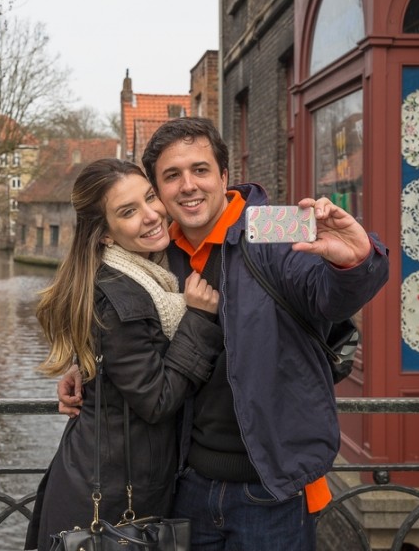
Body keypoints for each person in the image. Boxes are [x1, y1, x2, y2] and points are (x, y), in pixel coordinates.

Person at [58, 117, 390, 550]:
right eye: (171, 176)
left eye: (200, 170)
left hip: (270, 489)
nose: (188, 186)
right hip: (185, 488)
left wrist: (358, 261)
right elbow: (123, 324)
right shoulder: (158, 248)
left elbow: (328, 294)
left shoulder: (272, 225)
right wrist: (84, 367)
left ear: (224, 177)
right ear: (158, 191)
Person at [25, 158, 225, 551]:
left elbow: (123, 358)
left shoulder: (148, 274)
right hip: (111, 503)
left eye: (150, 198)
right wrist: (200, 319)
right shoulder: (122, 296)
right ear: (106, 235)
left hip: (110, 480)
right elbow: (156, 399)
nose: (151, 215)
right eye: (128, 212)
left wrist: (86, 369)